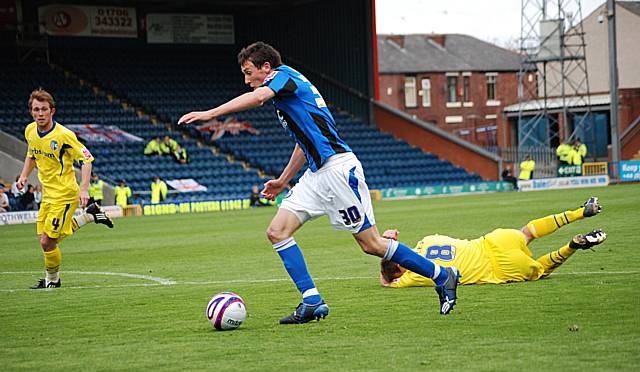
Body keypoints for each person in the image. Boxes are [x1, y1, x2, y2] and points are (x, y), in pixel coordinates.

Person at [178, 41, 460, 322]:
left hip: (337, 169)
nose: (246, 79)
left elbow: (257, 98)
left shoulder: (283, 75)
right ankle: (312, 301)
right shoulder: (286, 96)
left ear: (266, 67)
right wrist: (283, 180)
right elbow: (303, 144)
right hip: (316, 175)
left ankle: (442, 275)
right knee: (277, 231)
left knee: (371, 244)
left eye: (248, 72)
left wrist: (210, 113)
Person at [380, 198, 605, 298]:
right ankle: (580, 212)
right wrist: (391, 240)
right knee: (528, 232)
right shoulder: (427, 240)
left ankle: (573, 245)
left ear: (401, 269)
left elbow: (386, 282)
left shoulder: (415, 277)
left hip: (500, 269)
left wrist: (390, 268)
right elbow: (396, 255)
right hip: (493, 241)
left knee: (540, 270)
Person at [17, 88, 114, 289]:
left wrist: (84, 189)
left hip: (65, 194)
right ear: (31, 111)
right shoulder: (30, 131)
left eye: (44, 109)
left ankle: (53, 281)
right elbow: (32, 154)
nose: (40, 114)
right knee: (45, 240)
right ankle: (88, 216)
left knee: (47, 242)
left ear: (52, 111)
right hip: (47, 195)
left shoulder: (64, 135)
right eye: (36, 109)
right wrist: (24, 176)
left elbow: (87, 160)